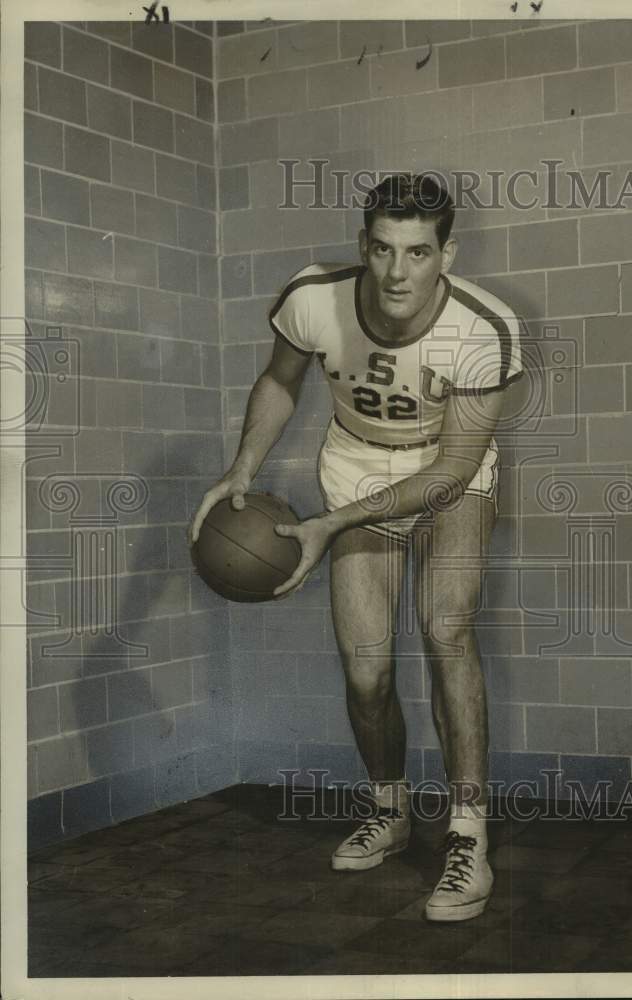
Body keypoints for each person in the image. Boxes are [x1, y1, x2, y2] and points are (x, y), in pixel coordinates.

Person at [189, 173, 523, 922]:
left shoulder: (482, 328)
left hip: (448, 473)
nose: (397, 272)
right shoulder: (314, 298)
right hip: (356, 463)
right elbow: (279, 381)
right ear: (362, 246)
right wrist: (240, 469)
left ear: (447, 253)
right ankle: (389, 808)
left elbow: (455, 470)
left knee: (446, 628)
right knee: (368, 670)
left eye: (417, 252)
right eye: (382, 249)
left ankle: (468, 835)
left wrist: (332, 525)